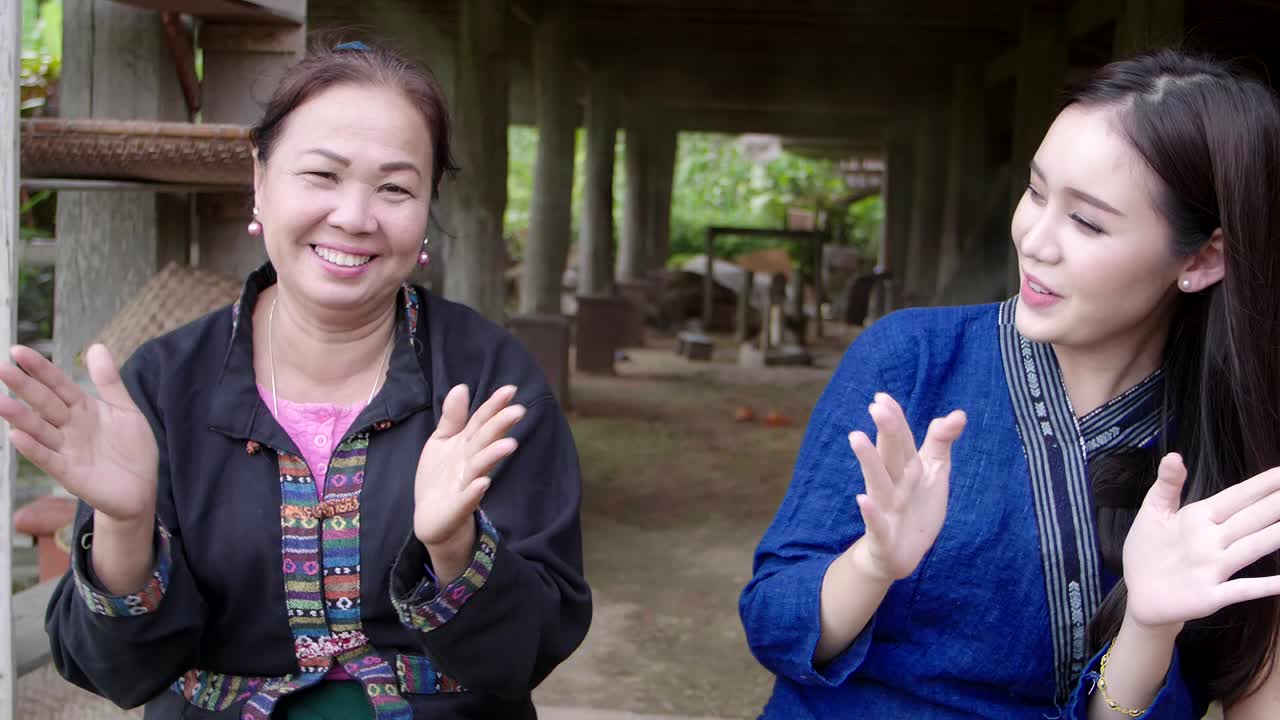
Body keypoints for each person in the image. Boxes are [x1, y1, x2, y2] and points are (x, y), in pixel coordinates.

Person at [0, 40, 590, 719]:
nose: (354, 217)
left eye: (395, 187)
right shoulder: (163, 385)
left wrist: (455, 548)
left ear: (428, 206)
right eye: (321, 175)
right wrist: (125, 525)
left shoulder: (490, 381)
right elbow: (112, 670)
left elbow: (532, 649)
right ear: (260, 178)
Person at [740, 50, 1280, 719]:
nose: (1035, 238)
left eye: (1086, 221)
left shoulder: (1238, 453)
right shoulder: (911, 357)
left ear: (1200, 258)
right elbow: (772, 618)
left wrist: (1148, 624)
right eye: (1036, 191)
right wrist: (873, 563)